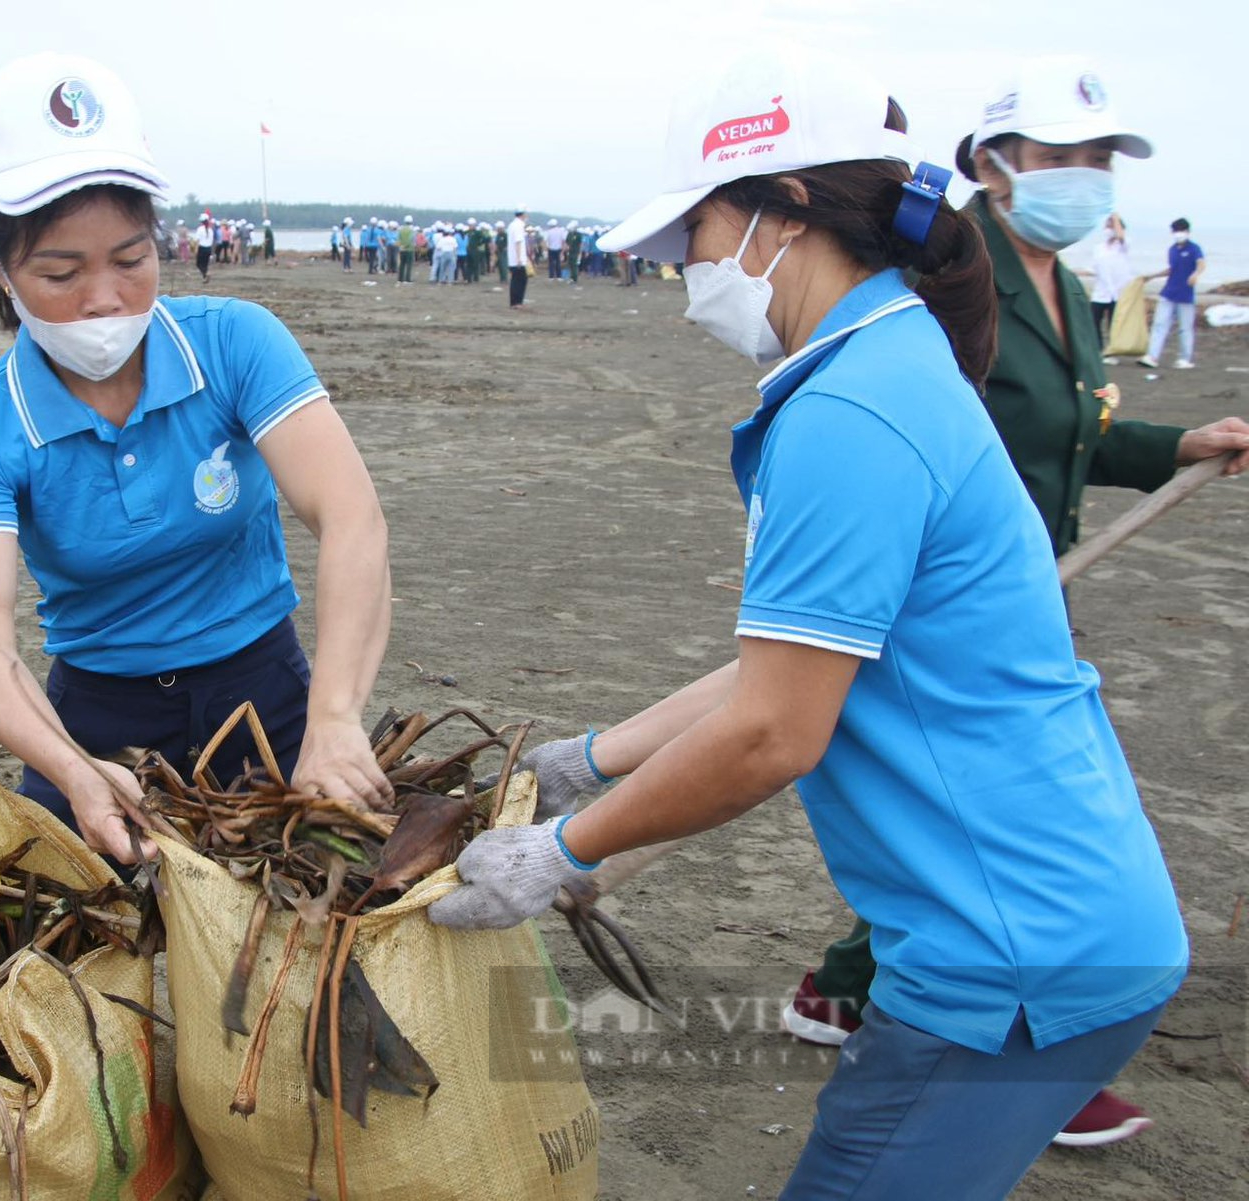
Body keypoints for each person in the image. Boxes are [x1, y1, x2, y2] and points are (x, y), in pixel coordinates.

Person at [433, 51, 1191, 1198]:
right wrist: (583, 759)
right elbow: (778, 669)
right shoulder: (889, 358)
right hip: (1061, 910)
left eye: (695, 232)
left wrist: (558, 852)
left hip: (1006, 947)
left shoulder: (849, 409)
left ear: (778, 214)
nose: (685, 269)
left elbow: (773, 734)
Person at [780, 59, 1249, 1150]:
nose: (1082, 176)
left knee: (959, 802)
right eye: (1057, 156)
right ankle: (1005, 1024)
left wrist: (1176, 444)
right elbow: (922, 440)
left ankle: (847, 986)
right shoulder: (953, 279)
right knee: (963, 804)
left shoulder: (1066, 285)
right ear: (990, 165)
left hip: (1028, 581)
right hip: (947, 588)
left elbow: (1067, 434)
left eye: (1096, 158)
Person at [0, 53, 393, 863]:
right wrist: (72, 769)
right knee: (58, 951)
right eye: (60, 272)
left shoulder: (236, 341)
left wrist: (336, 719)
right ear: (1, 272)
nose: (103, 298)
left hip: (267, 695)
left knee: (323, 925)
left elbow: (350, 517)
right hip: (97, 720)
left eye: (131, 260)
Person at [1141, 218, 1203, 369]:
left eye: (1180, 231)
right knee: (1159, 324)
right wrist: (1152, 276)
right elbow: (1171, 269)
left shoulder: (1194, 248)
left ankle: (1185, 358)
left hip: (1185, 295)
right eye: (1175, 231)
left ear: (1187, 232)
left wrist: (1195, 275)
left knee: (1185, 328)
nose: (1178, 234)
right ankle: (1152, 356)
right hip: (1168, 292)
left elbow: (1201, 263)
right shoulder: (1172, 249)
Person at [1088, 214, 1133, 353]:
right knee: (1093, 321)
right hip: (1101, 292)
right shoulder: (1099, 248)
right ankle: (1098, 350)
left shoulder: (1122, 245)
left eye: (1111, 226)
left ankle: (1111, 351)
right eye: (1107, 226)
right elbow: (1092, 269)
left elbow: (1121, 236)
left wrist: (1115, 218)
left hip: (1118, 292)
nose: (1108, 229)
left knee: (1113, 324)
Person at [505, 208, 529, 307]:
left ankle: (515, 302)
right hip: (517, 260)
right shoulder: (519, 225)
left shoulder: (512, 225)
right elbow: (518, 242)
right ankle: (517, 302)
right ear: (523, 215)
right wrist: (519, 258)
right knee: (520, 281)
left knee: (517, 280)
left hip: (513, 259)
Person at [194, 214, 215, 282]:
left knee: (199, 264)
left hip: (202, 248)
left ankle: (205, 274)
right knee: (205, 264)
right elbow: (212, 242)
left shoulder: (200, 229)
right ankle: (205, 277)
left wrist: (196, 250)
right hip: (208, 249)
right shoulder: (210, 230)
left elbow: (197, 240)